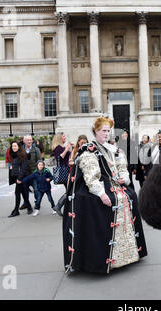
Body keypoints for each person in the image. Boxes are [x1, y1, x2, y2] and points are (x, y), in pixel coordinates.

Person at [63, 116, 147, 274]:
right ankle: (106, 257)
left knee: (130, 197)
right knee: (106, 202)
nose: (107, 134)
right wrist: (101, 193)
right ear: (95, 131)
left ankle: (128, 253)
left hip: (115, 184)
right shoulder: (89, 150)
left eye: (108, 131)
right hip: (98, 185)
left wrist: (125, 178)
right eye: (103, 131)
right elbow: (91, 176)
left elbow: (123, 168)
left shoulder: (115, 149)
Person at [8, 141, 32, 217]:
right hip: (16, 177)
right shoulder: (13, 155)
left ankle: (16, 210)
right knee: (24, 193)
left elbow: (24, 168)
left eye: (15, 146)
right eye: (12, 146)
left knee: (17, 193)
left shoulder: (22, 155)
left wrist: (19, 178)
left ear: (18, 147)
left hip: (21, 178)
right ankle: (29, 207)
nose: (14, 147)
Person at [51, 132, 73, 216]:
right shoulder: (58, 147)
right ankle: (59, 206)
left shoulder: (61, 147)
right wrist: (67, 149)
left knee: (69, 190)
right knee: (69, 190)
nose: (65, 138)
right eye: (63, 136)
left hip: (67, 170)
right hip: (64, 171)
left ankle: (62, 207)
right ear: (59, 138)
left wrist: (71, 148)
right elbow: (59, 158)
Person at [19, 136, 41, 210]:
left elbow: (40, 161)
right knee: (25, 189)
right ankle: (26, 203)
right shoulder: (21, 149)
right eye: (27, 140)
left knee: (36, 189)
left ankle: (37, 202)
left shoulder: (36, 149)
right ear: (24, 141)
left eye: (30, 140)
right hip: (24, 174)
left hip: (34, 173)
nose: (29, 141)